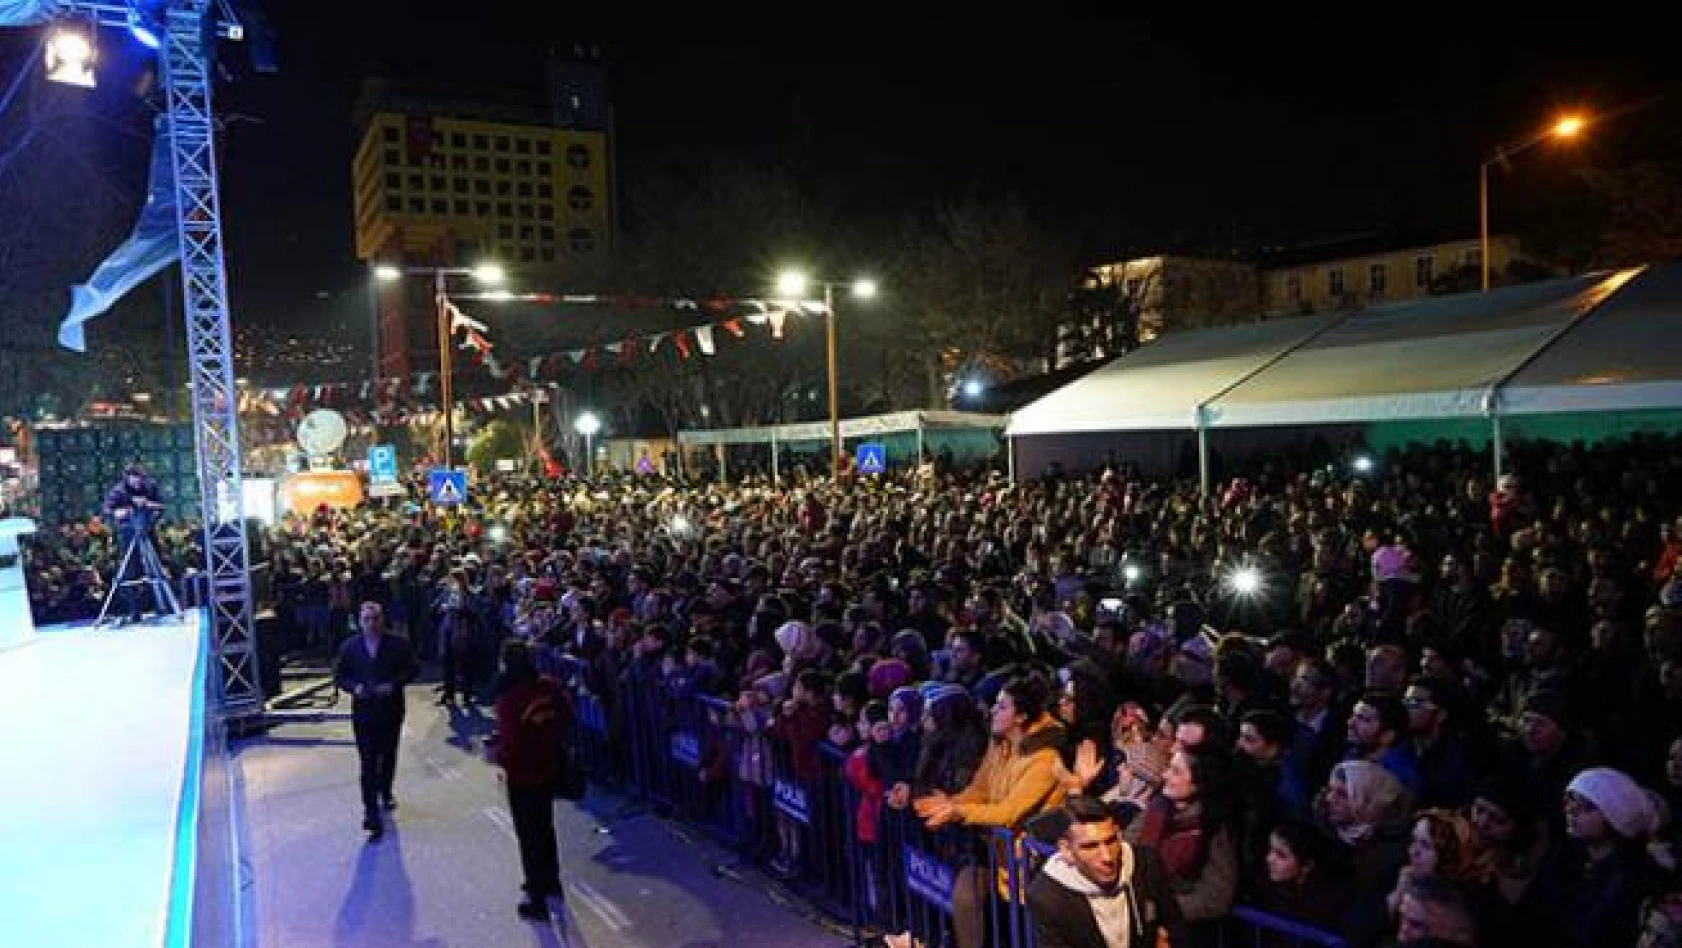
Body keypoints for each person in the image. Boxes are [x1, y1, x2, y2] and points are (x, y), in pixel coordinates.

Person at [1026, 795, 1178, 948]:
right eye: (1090, 846)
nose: (1107, 857)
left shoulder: (1145, 863)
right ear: (1067, 850)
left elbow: (1175, 926)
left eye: (1111, 841)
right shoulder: (1047, 897)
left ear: (1119, 834)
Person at [491, 638, 571, 922]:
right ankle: (551, 882)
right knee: (545, 828)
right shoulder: (548, 687)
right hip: (548, 765)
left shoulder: (509, 697)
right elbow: (564, 716)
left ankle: (536, 895)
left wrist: (499, 759)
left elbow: (510, 740)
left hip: (522, 772)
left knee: (528, 834)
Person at [335, 601, 419, 838]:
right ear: (360, 622)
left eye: (376, 619)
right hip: (364, 712)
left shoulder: (398, 644)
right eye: (367, 620)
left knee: (389, 753)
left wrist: (393, 685)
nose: (371, 624)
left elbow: (413, 669)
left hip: (390, 709)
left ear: (383, 620)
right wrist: (355, 688)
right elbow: (341, 676)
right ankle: (370, 811)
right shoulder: (350, 647)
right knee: (368, 760)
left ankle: (386, 789)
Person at [101, 461, 165, 624]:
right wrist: (119, 512)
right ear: (127, 478)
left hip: (148, 531)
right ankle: (135, 611)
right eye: (133, 478)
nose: (137, 482)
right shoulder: (118, 491)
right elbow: (106, 510)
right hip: (128, 534)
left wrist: (147, 505)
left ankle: (162, 605)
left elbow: (161, 506)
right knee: (131, 572)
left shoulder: (151, 487)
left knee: (156, 568)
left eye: (139, 478)